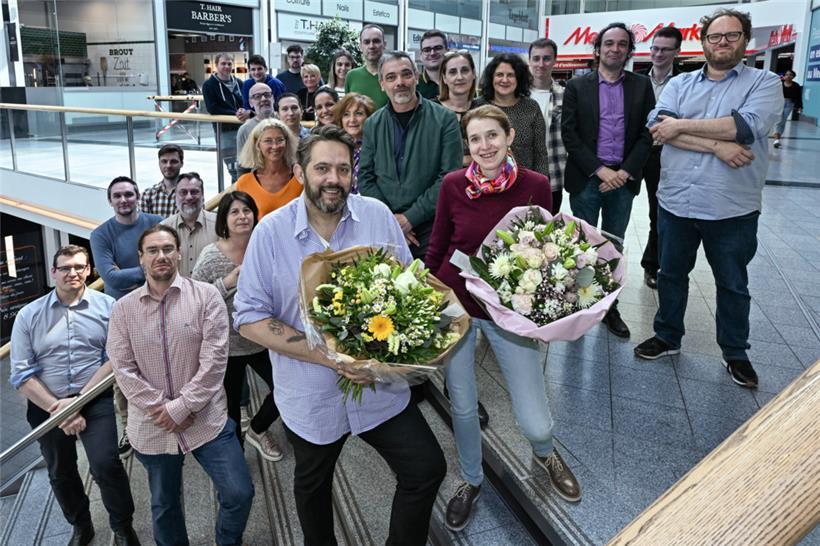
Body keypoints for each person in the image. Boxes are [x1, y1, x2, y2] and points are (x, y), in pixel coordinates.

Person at [233, 125, 447, 546]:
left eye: (343, 169)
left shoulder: (378, 216)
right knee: (313, 487)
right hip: (310, 394)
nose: (334, 179)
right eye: (322, 168)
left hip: (380, 391)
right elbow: (249, 318)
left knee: (426, 468)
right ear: (300, 171)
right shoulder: (270, 233)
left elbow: (412, 287)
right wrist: (331, 358)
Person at [426, 105, 581, 531]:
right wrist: (425, 290)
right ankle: (471, 480)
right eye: (475, 139)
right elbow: (439, 244)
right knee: (462, 404)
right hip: (457, 306)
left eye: (492, 135)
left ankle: (545, 451)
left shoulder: (535, 185)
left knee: (531, 409)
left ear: (510, 135)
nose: (484, 146)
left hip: (509, 314)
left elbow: (546, 250)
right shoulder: (453, 185)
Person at [634, 9, 782, 390]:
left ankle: (735, 352)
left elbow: (745, 127)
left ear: (744, 40)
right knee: (671, 275)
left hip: (731, 208)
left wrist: (680, 125)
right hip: (677, 202)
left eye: (731, 36)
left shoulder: (764, 83)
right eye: (715, 37)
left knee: (732, 283)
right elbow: (657, 129)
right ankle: (667, 336)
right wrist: (718, 147)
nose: (722, 43)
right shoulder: (682, 84)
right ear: (703, 42)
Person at [107, 224, 254, 546]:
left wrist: (182, 406)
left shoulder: (207, 296)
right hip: (152, 426)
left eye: (168, 249)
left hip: (207, 418)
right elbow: (124, 369)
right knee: (164, 505)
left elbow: (215, 361)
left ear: (178, 254)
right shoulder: (123, 310)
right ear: (141, 259)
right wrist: (164, 410)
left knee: (239, 492)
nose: (162, 256)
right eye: (153, 251)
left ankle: (227, 541)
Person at [10, 245, 140, 546]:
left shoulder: (108, 307)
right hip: (46, 404)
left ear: (89, 270)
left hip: (93, 398)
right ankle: (81, 524)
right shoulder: (28, 315)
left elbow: (116, 358)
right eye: (65, 267)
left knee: (106, 464)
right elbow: (20, 374)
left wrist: (78, 401)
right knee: (59, 471)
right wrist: (60, 409)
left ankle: (122, 526)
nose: (73, 273)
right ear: (53, 272)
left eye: (79, 267)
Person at [561, 22, 655, 339]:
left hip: (623, 180)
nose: (615, 49)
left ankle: (609, 308)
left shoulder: (642, 86)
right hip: (588, 178)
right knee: (581, 246)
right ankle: (579, 305)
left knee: (613, 245)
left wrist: (623, 172)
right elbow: (569, 135)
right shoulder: (577, 86)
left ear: (629, 50)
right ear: (598, 49)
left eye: (622, 44)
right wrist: (601, 171)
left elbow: (647, 134)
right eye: (609, 43)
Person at [192, 192, 283, 462]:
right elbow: (195, 303)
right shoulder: (210, 256)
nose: (242, 216)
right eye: (234, 212)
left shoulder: (267, 248)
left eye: (247, 210)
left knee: (285, 389)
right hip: (227, 346)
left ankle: (257, 429)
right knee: (230, 410)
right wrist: (228, 282)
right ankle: (236, 461)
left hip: (262, 339)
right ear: (224, 219)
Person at [358, 51, 463, 259]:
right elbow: (365, 177)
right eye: (391, 77)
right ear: (382, 84)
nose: (400, 82)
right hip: (383, 225)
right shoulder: (372, 124)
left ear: (416, 76)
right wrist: (392, 222)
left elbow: (449, 176)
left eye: (406, 74)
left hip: (430, 226)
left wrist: (409, 219)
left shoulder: (445, 120)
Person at [91, 176, 163, 459]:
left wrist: (131, 272)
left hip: (160, 307)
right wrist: (149, 269)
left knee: (162, 364)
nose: (124, 200)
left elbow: (171, 263)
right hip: (123, 314)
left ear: (138, 197)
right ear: (110, 201)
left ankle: (165, 418)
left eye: (129, 195)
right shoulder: (101, 235)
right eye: (118, 196)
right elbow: (111, 278)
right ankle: (129, 428)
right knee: (124, 375)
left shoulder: (158, 223)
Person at [638, 26, 683, 289]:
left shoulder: (685, 82)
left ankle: (652, 264)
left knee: (659, 213)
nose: (658, 54)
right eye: (655, 48)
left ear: (677, 52)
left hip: (666, 154)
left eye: (665, 49)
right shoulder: (637, 80)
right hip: (635, 154)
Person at [475, 54, 549, 181]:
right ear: (491, 78)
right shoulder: (477, 107)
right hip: (485, 183)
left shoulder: (531, 107)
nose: (504, 80)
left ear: (519, 78)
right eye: (499, 75)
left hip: (524, 183)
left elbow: (540, 152)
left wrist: (541, 183)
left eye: (510, 75)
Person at [236, 118, 303, 219]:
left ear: (287, 142)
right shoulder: (244, 183)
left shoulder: (301, 178)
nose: (275, 146)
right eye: (268, 141)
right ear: (257, 145)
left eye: (280, 140)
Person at [529, 38, 567, 215]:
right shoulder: (518, 94)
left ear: (555, 61)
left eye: (546, 58)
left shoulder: (565, 96)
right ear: (529, 60)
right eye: (536, 58)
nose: (541, 64)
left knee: (548, 226)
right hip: (522, 171)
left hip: (553, 173)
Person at [160, 172, 217, 277]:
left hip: (213, 291)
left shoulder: (219, 225)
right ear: (175, 197)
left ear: (203, 196)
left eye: (194, 192)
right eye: (183, 192)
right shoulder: (163, 229)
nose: (189, 197)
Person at [202, 53, 245, 182]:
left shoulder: (238, 83)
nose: (226, 66)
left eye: (229, 64)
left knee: (244, 167)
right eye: (223, 64)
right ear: (216, 65)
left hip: (242, 129)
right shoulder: (209, 85)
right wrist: (235, 113)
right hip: (224, 131)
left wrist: (245, 111)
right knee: (233, 169)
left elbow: (245, 102)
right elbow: (212, 108)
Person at [435, 50, 477, 166]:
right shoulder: (430, 110)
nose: (460, 77)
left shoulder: (482, 109)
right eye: (453, 72)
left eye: (465, 70)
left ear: (473, 74)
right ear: (444, 78)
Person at [333, 92, 375, 191]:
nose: (352, 119)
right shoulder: (334, 148)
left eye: (358, 113)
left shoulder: (376, 147)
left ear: (369, 117)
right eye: (346, 114)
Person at [345, 24, 389, 109]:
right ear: (360, 46)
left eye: (376, 41)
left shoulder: (393, 76)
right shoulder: (351, 76)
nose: (371, 46)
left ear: (384, 44)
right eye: (366, 42)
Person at [140, 144, 183, 218]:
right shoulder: (147, 195)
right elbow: (144, 227)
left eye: (173, 161)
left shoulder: (190, 194)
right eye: (164, 161)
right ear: (159, 163)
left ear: (182, 164)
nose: (168, 165)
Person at [237, 82, 276, 162]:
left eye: (267, 95)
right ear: (250, 102)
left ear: (273, 98)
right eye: (257, 96)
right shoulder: (245, 130)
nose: (263, 99)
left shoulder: (285, 121)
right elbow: (242, 164)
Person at [772, 69, 803, 148]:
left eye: (790, 75)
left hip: (789, 104)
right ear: (784, 76)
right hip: (779, 102)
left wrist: (800, 107)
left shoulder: (796, 86)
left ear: (793, 76)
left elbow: (799, 97)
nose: (788, 76)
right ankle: (776, 139)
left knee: (782, 120)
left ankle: (777, 138)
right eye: (787, 74)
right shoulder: (779, 84)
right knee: (778, 120)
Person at [417, 30, 448, 99]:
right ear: (421, 56)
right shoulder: (414, 86)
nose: (432, 53)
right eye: (427, 50)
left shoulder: (458, 82)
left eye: (438, 48)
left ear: (447, 51)